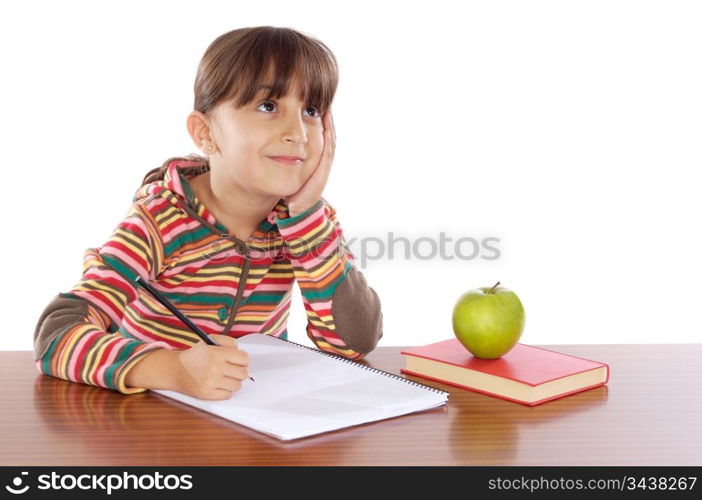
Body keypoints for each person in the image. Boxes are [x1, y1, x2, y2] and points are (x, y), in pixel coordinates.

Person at [33, 26, 383, 401]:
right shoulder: (159, 222)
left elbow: (352, 342)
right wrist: (173, 369)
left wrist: (305, 215)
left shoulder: (309, 221)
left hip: (257, 419)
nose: (298, 132)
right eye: (268, 106)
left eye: (311, 111)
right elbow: (56, 335)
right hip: (152, 421)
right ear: (205, 134)